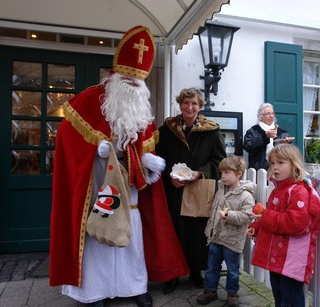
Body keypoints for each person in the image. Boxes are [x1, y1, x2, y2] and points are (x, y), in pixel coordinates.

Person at [49, 25, 189, 307]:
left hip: (131, 191)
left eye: (138, 83)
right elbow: (67, 140)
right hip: (96, 186)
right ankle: (94, 291)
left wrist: (150, 162)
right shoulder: (89, 99)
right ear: (115, 75)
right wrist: (95, 152)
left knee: (132, 235)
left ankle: (133, 286)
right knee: (98, 238)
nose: (133, 87)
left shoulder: (142, 110)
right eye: (128, 80)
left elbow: (145, 146)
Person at [156, 88, 227, 294]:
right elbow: (158, 160)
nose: (190, 107)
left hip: (198, 190)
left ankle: (196, 272)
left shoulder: (212, 131)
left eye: (194, 103)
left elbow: (220, 161)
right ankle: (172, 275)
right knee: (173, 232)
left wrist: (200, 173)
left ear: (200, 106)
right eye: (186, 103)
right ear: (180, 104)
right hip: (173, 190)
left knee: (196, 232)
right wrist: (170, 178)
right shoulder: (166, 130)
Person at [247, 143, 320, 307]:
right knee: (280, 298)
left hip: (291, 260)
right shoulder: (279, 189)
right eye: (272, 163)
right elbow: (273, 216)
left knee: (290, 300)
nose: (275, 167)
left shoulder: (299, 191)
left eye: (281, 163)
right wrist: (258, 226)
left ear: (294, 164)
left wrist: (264, 215)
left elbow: (295, 223)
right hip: (278, 257)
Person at [197, 156, 255, 307]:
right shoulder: (220, 190)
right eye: (221, 172)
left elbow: (247, 216)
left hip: (232, 240)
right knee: (212, 266)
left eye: (227, 172)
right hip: (216, 237)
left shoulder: (246, 195)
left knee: (232, 269)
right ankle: (210, 290)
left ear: (239, 173)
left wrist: (229, 216)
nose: (222, 176)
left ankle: (232, 293)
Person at [243, 103, 291, 170]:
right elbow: (248, 147)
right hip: (259, 170)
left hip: (279, 169)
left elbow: (290, 154)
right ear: (260, 116)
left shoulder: (282, 133)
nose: (271, 116)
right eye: (268, 113)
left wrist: (286, 144)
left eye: (272, 113)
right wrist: (264, 136)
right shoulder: (252, 131)